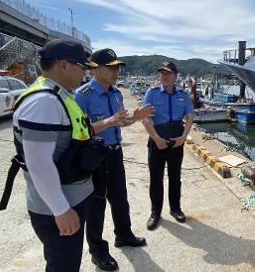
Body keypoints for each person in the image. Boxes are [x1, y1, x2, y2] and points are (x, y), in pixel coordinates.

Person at [7, 38, 95, 271]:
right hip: (59, 206)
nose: (84, 71)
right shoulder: (44, 101)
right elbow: (39, 163)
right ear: (64, 65)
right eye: (82, 65)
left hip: (72, 196)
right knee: (62, 266)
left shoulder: (59, 95)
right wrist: (61, 209)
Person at [74, 48, 153, 271]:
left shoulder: (116, 94)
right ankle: (98, 251)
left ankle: (124, 235)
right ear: (96, 69)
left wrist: (135, 118)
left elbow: (120, 121)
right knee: (96, 205)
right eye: (111, 68)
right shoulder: (83, 95)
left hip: (115, 152)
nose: (116, 71)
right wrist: (109, 121)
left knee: (120, 198)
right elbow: (79, 131)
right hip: (95, 156)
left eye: (117, 67)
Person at [142, 61, 194, 230]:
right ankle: (155, 213)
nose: (164, 76)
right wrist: (156, 138)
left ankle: (175, 208)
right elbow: (145, 118)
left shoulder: (183, 95)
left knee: (175, 177)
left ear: (175, 76)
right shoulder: (152, 93)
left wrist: (183, 137)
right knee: (156, 178)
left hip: (176, 142)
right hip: (157, 141)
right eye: (162, 73)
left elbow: (189, 117)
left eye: (168, 73)